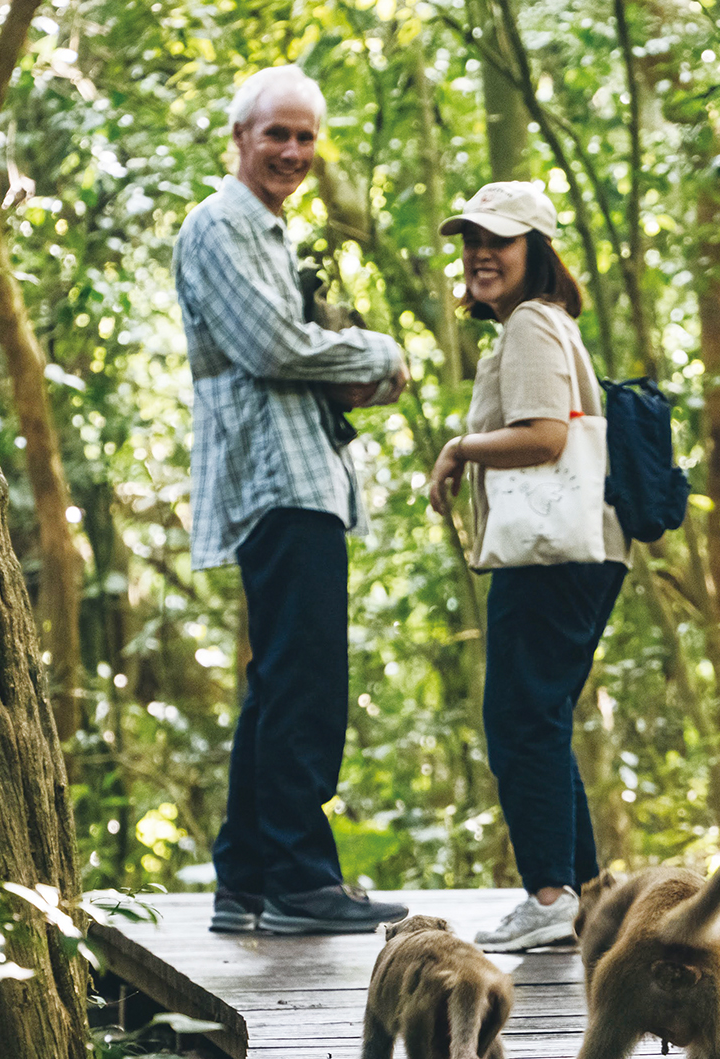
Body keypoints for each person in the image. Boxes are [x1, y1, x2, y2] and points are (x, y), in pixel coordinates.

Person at [175, 65, 411, 935]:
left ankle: (246, 878)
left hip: (305, 475)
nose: (293, 151)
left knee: (280, 684)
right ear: (240, 138)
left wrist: (350, 369)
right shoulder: (221, 226)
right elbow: (273, 348)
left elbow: (298, 359)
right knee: (304, 682)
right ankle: (301, 880)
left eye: (307, 136)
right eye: (277, 133)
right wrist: (377, 356)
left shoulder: (272, 235)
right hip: (275, 482)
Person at [425, 182, 628, 952]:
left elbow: (544, 436)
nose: (480, 253)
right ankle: (578, 894)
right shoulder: (539, 325)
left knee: (517, 720)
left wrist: (458, 449)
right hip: (573, 551)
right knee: (537, 717)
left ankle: (548, 894)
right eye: (472, 239)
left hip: (555, 552)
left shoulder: (533, 327)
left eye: (498, 241)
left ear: (535, 253)